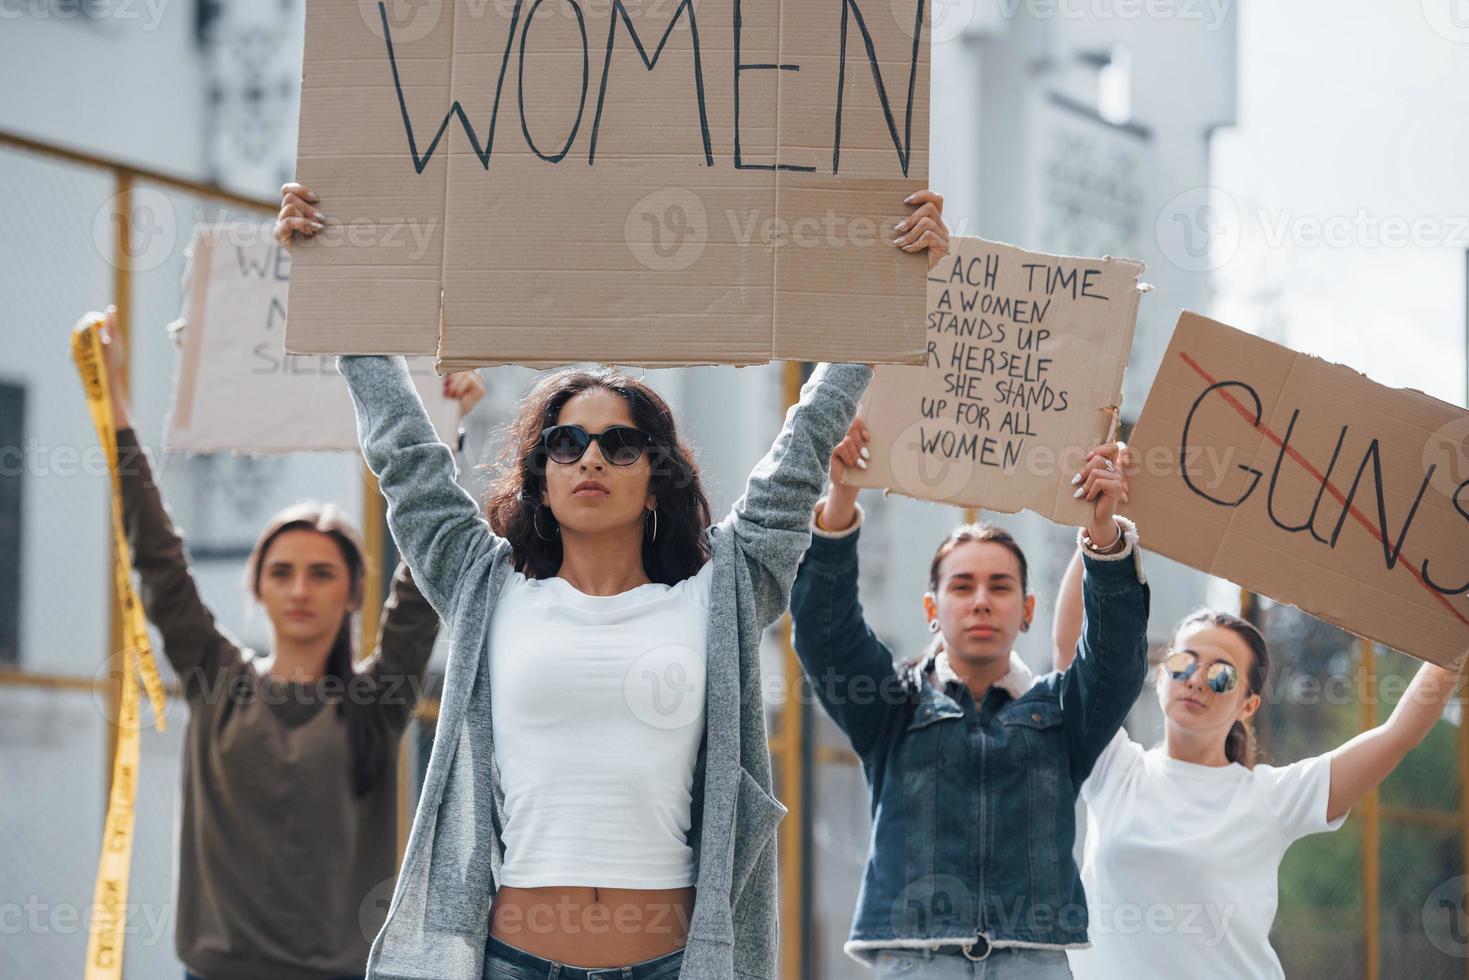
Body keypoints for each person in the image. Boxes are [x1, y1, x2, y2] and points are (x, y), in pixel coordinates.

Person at [275, 182, 952, 980]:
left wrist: (886, 289)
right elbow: (405, 457)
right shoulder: (483, 582)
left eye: (619, 445)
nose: (590, 458)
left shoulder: (721, 589)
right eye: (564, 443)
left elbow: (803, 447)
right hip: (511, 962)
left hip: (673, 964)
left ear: (655, 475)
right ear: (539, 474)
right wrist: (338, 281)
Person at [78, 306, 484, 980]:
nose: (300, 589)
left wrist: (452, 429)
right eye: (282, 572)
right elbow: (157, 556)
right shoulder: (218, 679)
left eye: (321, 573)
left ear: (352, 594)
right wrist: (113, 396)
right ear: (258, 588)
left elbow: (425, 573)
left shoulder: (377, 698)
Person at [788, 424, 1150, 978]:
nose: (981, 601)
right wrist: (840, 498)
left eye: (1000, 587)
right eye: (962, 586)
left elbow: (1116, 660)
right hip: (915, 960)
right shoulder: (891, 708)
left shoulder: (1062, 714)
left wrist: (1102, 535)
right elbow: (824, 632)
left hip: (1033, 963)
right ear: (932, 610)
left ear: (1028, 610)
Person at [1052, 557, 1465, 979]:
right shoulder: (1113, 768)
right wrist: (1098, 539)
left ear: (1247, 705)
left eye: (1222, 676)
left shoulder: (1269, 797)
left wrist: (1456, 632)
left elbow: (1398, 735)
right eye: (1183, 663)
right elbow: (1068, 655)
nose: (1196, 679)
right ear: (1161, 676)